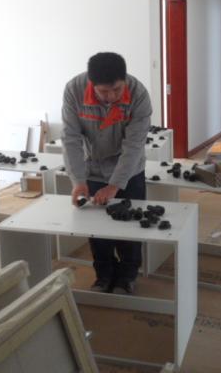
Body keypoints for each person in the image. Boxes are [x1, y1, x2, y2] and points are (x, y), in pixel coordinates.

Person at [61, 52, 152, 294]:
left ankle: (127, 277)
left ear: (124, 79)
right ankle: (104, 276)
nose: (111, 96)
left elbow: (134, 146)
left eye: (117, 90)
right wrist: (78, 181)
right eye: (104, 92)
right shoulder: (74, 90)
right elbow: (70, 138)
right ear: (92, 84)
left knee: (129, 226)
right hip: (93, 167)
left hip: (129, 170)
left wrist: (115, 185)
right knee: (97, 228)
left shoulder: (139, 95)